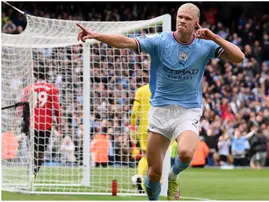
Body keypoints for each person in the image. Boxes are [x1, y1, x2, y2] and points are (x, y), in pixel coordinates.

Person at [77, 3, 244, 200]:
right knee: (153, 174)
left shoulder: (205, 45)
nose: (181, 20)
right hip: (160, 111)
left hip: (188, 110)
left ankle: (173, 177)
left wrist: (214, 37)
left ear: (196, 23)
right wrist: (97, 36)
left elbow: (239, 57)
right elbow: (125, 42)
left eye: (187, 18)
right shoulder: (161, 41)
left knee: (186, 153)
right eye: (180, 16)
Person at [21, 67, 61, 179]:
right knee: (41, 152)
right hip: (46, 124)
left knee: (32, 150)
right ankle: (34, 173)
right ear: (47, 76)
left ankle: (30, 173)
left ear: (36, 76)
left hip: (32, 124)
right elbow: (57, 108)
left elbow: (22, 106)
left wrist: (18, 121)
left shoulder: (28, 88)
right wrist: (58, 123)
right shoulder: (52, 88)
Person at [130, 83, 151, 193]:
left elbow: (134, 112)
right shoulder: (164, 88)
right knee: (160, 157)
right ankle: (160, 183)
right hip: (160, 128)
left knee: (145, 156)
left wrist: (132, 127)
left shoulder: (141, 90)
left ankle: (140, 176)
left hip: (144, 129)